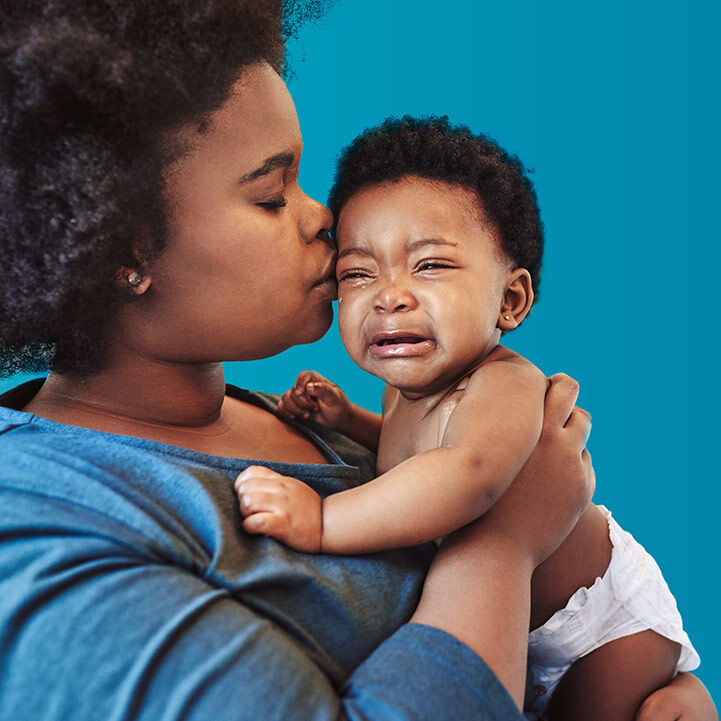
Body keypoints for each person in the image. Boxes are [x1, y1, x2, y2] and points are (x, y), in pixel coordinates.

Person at [0, 2, 713, 720]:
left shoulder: (267, 410)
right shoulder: (48, 535)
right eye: (273, 194)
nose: (323, 219)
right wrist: (501, 544)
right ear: (122, 250)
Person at [234, 117, 714, 720]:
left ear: (509, 301)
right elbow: (417, 457)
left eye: (429, 265)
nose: (389, 295)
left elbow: (466, 478)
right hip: (514, 621)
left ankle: (674, 694)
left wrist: (323, 520)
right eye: (358, 272)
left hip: (598, 622)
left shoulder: (505, 384)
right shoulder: (401, 390)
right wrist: (349, 419)